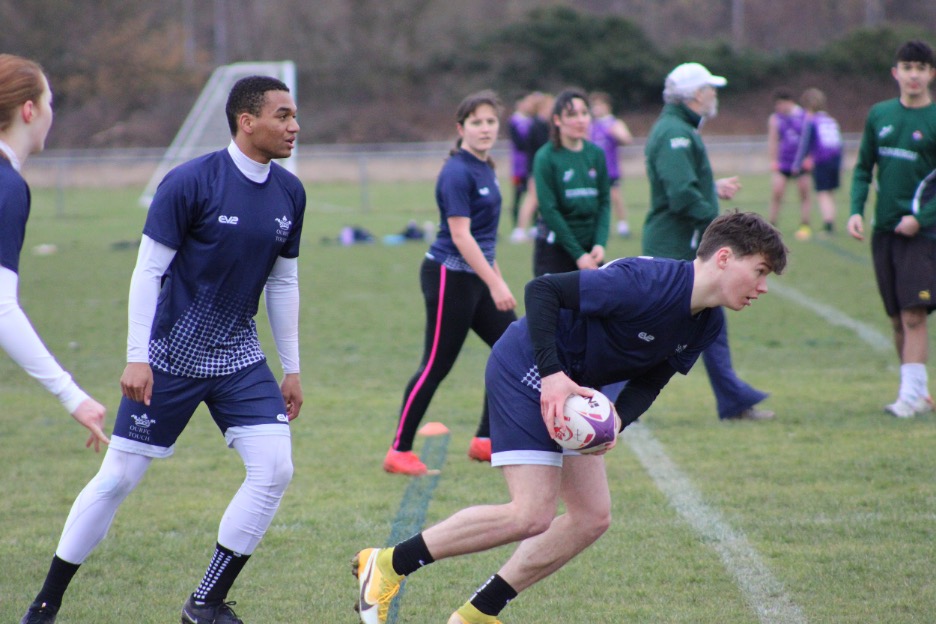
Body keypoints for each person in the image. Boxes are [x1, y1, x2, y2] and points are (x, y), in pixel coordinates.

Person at [353, 211, 788, 624]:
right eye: (761, 271)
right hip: (527, 369)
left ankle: (476, 613)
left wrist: (617, 420)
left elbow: (651, 381)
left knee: (592, 517)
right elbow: (543, 291)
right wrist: (553, 374)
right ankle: (389, 564)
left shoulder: (706, 323)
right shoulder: (643, 282)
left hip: (576, 390)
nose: (763, 287)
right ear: (725, 258)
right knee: (530, 514)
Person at [20, 75, 305, 624]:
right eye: (283, 115)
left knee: (274, 469)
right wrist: (137, 355)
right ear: (248, 122)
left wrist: (291, 369)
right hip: (169, 357)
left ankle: (206, 603)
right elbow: (148, 270)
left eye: (294, 116)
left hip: (239, 357)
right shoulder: (190, 182)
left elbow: (284, 282)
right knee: (119, 477)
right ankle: (45, 603)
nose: (294, 126)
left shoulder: (290, 192)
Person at [383, 90, 518, 476]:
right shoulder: (457, 171)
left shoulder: (485, 166)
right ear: (461, 128)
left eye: (491, 121)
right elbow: (461, 236)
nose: (485, 128)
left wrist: (496, 279)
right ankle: (399, 451)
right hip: (449, 278)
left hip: (478, 276)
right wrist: (494, 283)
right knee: (435, 367)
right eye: (477, 122)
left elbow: (486, 237)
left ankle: (486, 441)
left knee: (513, 348)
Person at [643, 62, 774, 422]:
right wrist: (726, 226)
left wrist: (711, 188)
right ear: (696, 95)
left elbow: (682, 184)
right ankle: (606, 397)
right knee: (650, 330)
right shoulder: (676, 133)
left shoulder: (679, 129)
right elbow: (681, 195)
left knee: (711, 325)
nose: (714, 96)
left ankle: (733, 400)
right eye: (710, 89)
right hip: (676, 250)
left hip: (686, 247)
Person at [0, 55, 109, 453]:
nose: (52, 113)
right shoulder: (6, 186)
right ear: (29, 110)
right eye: (50, 102)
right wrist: (71, 395)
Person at [848, 40, 936, 419]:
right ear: (895, 72)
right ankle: (918, 392)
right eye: (907, 66)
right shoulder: (879, 115)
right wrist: (854, 209)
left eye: (921, 67)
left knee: (914, 313)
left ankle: (910, 398)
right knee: (897, 318)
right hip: (884, 231)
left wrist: (921, 218)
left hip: (923, 234)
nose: (913, 74)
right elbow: (864, 167)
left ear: (931, 74)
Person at [530, 88, 610, 277]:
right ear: (557, 120)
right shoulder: (545, 157)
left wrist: (600, 243)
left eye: (584, 113)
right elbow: (549, 210)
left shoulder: (596, 154)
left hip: (590, 251)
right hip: (556, 250)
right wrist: (578, 254)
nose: (581, 120)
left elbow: (604, 202)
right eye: (572, 114)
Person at [792, 87, 843, 235]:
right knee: (830, 192)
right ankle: (830, 220)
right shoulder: (830, 120)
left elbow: (805, 144)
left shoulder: (812, 121)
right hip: (835, 159)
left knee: (822, 193)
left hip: (822, 160)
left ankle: (828, 225)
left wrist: (797, 164)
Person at [767, 90, 813, 240]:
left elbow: (811, 139)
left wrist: (809, 157)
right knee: (777, 192)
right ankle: (771, 225)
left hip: (800, 163)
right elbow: (773, 140)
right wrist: (773, 160)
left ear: (789, 102)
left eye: (780, 104)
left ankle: (804, 224)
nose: (778, 108)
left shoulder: (804, 116)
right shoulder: (776, 119)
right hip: (783, 162)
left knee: (804, 193)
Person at [589, 90, 634, 238]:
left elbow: (627, 139)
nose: (596, 109)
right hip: (592, 170)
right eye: (594, 105)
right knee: (594, 200)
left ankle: (622, 225)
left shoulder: (613, 123)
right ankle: (598, 227)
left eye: (599, 105)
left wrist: (616, 133)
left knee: (615, 196)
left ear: (607, 106)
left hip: (610, 169)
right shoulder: (591, 125)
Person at [511, 92, 553, 243]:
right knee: (532, 199)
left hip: (537, 168)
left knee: (541, 200)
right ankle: (519, 230)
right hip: (536, 169)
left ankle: (538, 227)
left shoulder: (540, 124)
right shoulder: (538, 125)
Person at [507, 93, 535, 228]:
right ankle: (516, 226)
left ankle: (534, 225)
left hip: (531, 165)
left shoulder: (531, 121)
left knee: (534, 195)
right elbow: (519, 143)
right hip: (519, 166)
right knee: (518, 195)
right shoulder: (514, 121)